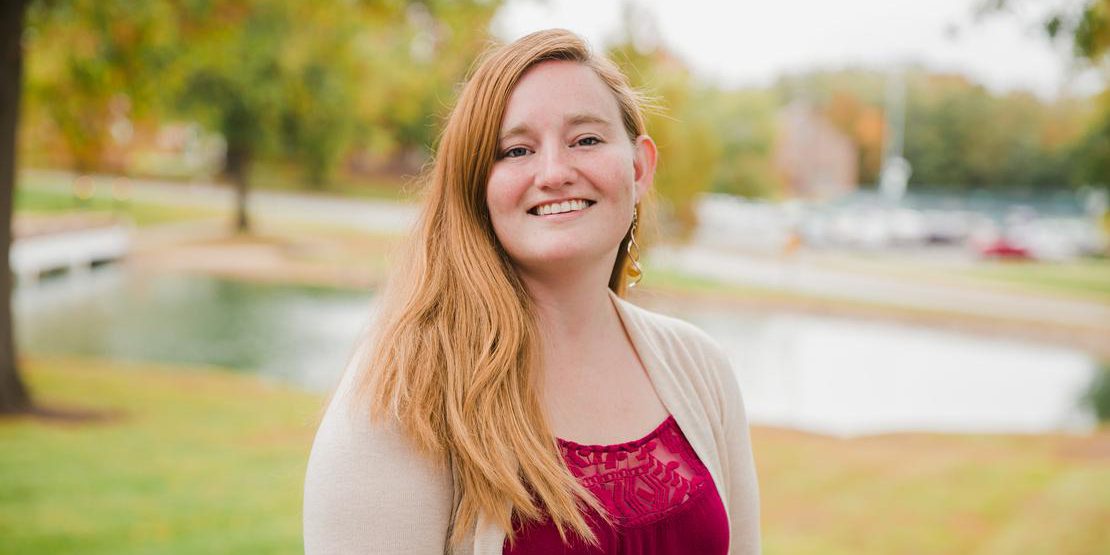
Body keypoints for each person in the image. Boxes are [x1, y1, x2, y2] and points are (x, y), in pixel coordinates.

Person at [303, 28, 760, 554]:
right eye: (516, 150)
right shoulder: (408, 390)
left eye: (585, 140)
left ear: (639, 168)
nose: (554, 173)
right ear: (477, 186)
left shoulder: (701, 368)